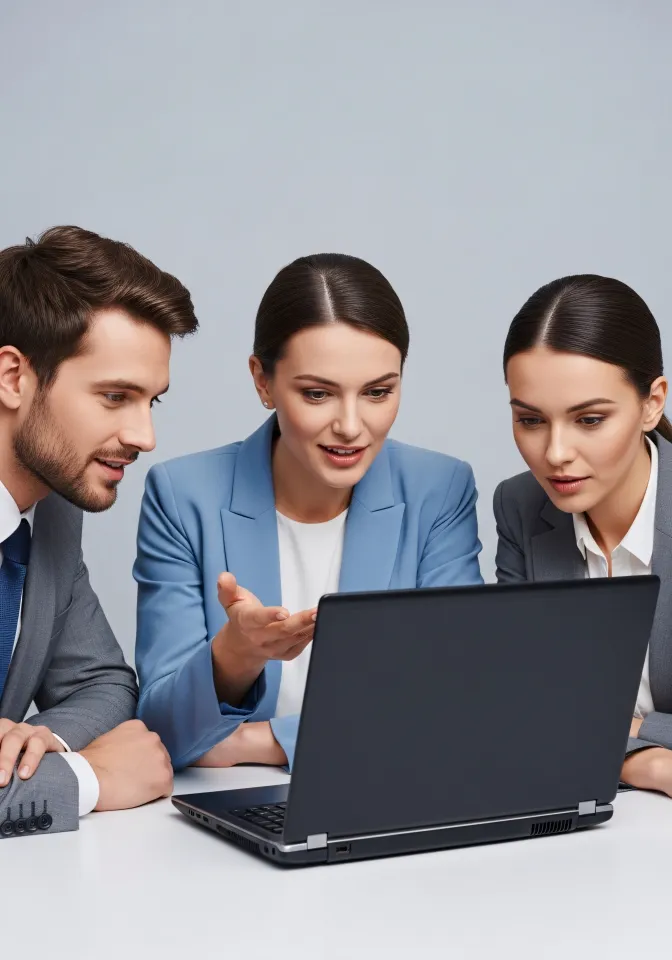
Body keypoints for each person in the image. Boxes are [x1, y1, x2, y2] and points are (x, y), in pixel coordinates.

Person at [134, 252, 483, 771]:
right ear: (263, 381)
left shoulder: (439, 491)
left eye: (378, 392)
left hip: (389, 795)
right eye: (318, 393)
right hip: (224, 815)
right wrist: (238, 653)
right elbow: (165, 733)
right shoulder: (182, 496)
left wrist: (259, 743)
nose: (350, 425)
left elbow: (461, 704)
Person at [0, 225, 198, 839]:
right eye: (115, 396)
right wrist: (89, 778)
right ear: (12, 377)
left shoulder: (54, 512)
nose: (144, 436)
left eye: (151, 402)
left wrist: (41, 742)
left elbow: (101, 682)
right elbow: (113, 762)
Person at [494, 273, 672, 797]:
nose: (554, 454)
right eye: (531, 420)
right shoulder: (520, 506)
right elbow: (520, 705)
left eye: (589, 420)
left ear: (652, 402)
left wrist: (630, 730)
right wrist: (644, 761)